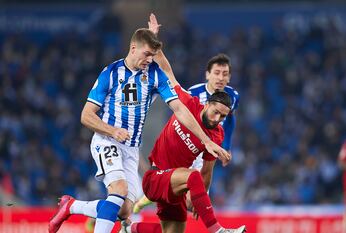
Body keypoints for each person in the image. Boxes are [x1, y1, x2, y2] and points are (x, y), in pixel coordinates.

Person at [48, 25, 229, 233]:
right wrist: (111, 130)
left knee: (123, 210)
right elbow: (86, 115)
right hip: (107, 141)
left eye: (152, 55)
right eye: (146, 54)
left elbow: (179, 108)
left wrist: (206, 140)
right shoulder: (111, 73)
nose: (149, 60)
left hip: (131, 148)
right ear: (133, 48)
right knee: (119, 190)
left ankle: (71, 206)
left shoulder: (154, 74)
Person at [123, 38, 246, 233]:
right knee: (192, 176)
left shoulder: (217, 135)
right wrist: (153, 40)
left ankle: (130, 229)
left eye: (222, 116)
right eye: (215, 112)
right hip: (156, 177)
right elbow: (166, 70)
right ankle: (218, 230)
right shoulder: (188, 102)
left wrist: (200, 198)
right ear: (206, 104)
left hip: (176, 186)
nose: (217, 118)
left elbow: (207, 172)